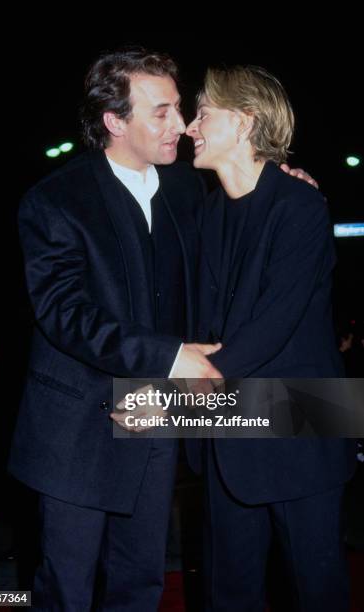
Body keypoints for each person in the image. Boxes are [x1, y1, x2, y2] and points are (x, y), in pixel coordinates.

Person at [8, 48, 223, 612]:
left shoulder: (185, 190)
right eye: (162, 111)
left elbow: (216, 270)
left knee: (141, 581)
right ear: (114, 121)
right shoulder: (54, 200)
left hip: (152, 417)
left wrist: (285, 183)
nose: (181, 123)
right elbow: (64, 313)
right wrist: (170, 357)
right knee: (67, 590)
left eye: (179, 107)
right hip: (75, 431)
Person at [186, 65, 357, 612]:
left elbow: (275, 322)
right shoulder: (206, 213)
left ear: (244, 121)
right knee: (227, 593)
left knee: (316, 591)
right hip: (228, 421)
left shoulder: (301, 205)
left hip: (305, 421)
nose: (192, 126)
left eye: (203, 113)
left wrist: (168, 398)